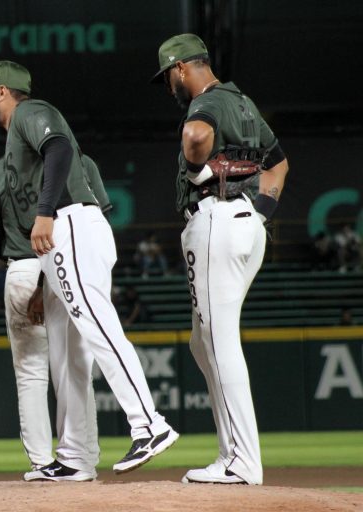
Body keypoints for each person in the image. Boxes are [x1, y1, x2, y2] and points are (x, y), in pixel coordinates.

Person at [0, 61, 179, 480]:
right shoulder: (13, 143)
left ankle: (149, 424)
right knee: (68, 356)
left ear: (4, 92)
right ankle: (76, 456)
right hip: (56, 242)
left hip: (70, 225)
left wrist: (46, 213)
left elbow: (60, 148)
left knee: (98, 327)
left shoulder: (31, 112)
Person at [151, 33, 290, 485]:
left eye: (169, 75)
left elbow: (195, 135)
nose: (170, 84)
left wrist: (195, 167)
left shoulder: (205, 103)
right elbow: (278, 164)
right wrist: (259, 214)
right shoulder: (243, 102)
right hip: (246, 223)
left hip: (217, 219)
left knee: (217, 340)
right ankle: (233, 453)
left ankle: (241, 461)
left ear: (181, 68)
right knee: (202, 340)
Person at [0, 154, 110, 480]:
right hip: (74, 262)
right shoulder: (80, 161)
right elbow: (100, 217)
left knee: (31, 374)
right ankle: (84, 458)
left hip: (23, 265)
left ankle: (41, 461)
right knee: (78, 366)